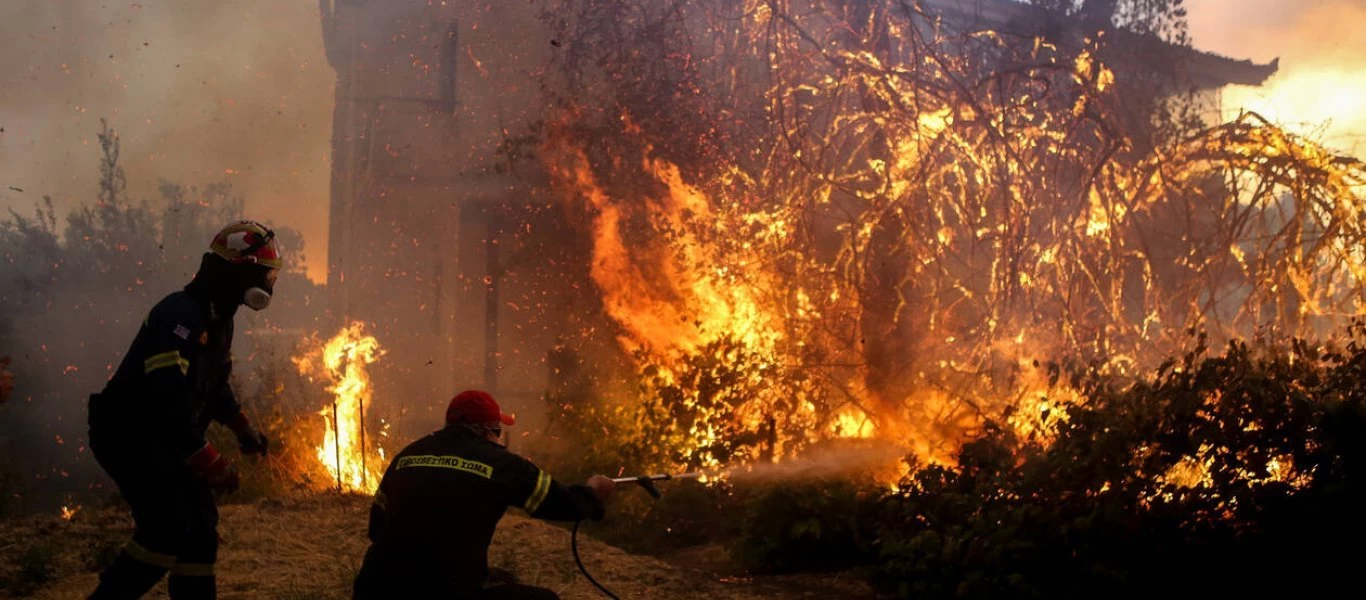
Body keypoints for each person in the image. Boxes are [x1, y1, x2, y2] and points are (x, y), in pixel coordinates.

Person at [86, 220, 281, 600]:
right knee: (166, 529)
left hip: (163, 436)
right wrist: (209, 460)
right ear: (236, 272)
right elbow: (167, 398)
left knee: (200, 529)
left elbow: (214, 386)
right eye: (263, 275)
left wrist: (244, 429)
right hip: (127, 435)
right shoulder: (178, 314)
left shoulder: (219, 321)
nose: (267, 286)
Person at [353, 389, 616, 599]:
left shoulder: (407, 455)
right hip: (444, 593)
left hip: (374, 589)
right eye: (498, 432)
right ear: (486, 430)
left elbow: (376, 529)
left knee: (501, 579)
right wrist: (593, 491)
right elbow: (565, 505)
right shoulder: (501, 464)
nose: (500, 439)